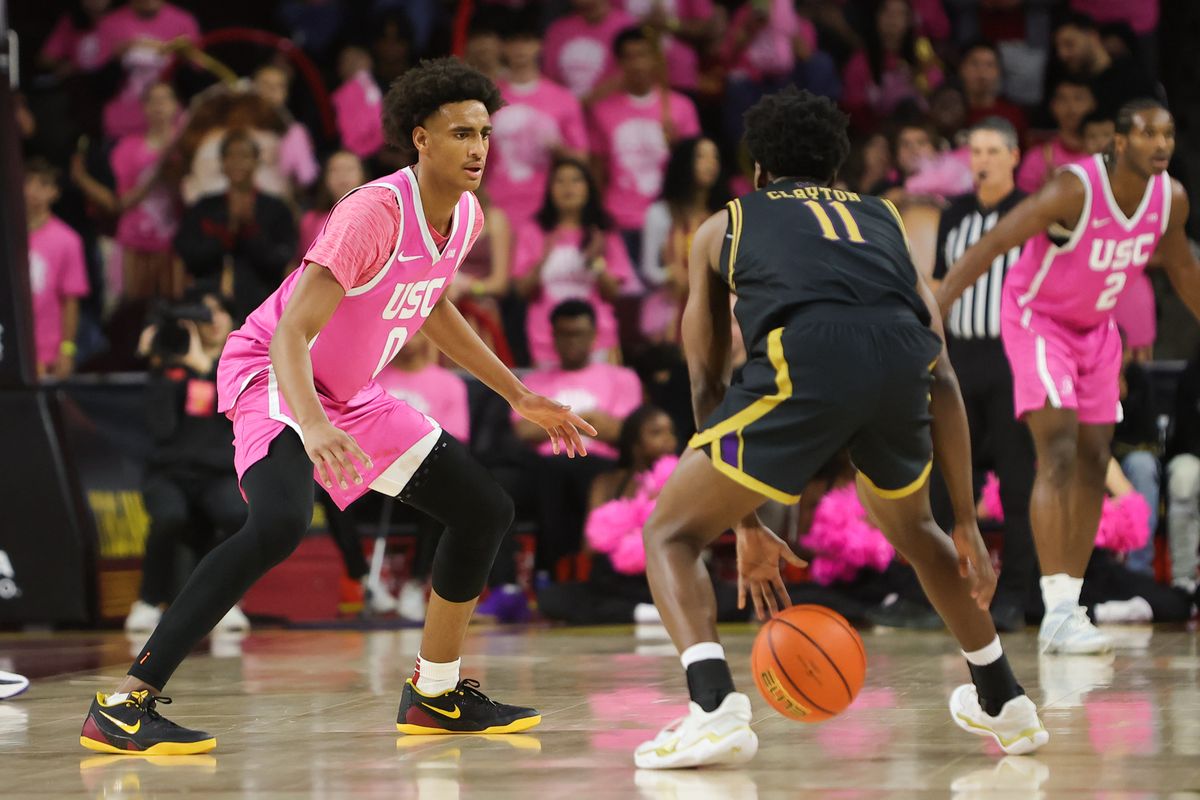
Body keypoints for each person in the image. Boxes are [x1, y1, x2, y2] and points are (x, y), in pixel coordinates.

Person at [79, 57, 596, 755]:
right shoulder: (373, 212)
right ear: (420, 138)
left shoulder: (466, 217)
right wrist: (313, 426)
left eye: (484, 133)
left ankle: (436, 694)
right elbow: (292, 330)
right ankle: (125, 702)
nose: (478, 148)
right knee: (280, 523)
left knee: (485, 509)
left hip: (350, 394)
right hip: (274, 371)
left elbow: (432, 307)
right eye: (460, 133)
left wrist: (520, 394)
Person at [636, 87, 1046, 770]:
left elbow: (707, 376)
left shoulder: (725, 223)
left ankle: (713, 709)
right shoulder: (885, 217)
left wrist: (742, 521)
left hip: (805, 359)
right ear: (836, 167)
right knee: (919, 529)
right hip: (898, 364)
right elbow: (939, 369)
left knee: (669, 533)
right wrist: (969, 519)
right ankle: (1004, 700)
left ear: (759, 168)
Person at [936, 98, 1200, 654]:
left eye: (1169, 135)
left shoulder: (1170, 199)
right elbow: (994, 243)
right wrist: (936, 308)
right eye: (1148, 134)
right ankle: (1057, 609)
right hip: (1038, 321)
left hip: (1097, 331)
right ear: (1120, 142)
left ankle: (1068, 606)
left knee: (1092, 457)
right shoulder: (1072, 190)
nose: (1161, 145)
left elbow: (1182, 269)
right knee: (1054, 450)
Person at [927, 118, 1037, 632]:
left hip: (1014, 357)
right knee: (949, 484)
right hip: (960, 359)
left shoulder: (1034, 212)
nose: (983, 159)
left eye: (993, 149)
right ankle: (950, 589)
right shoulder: (955, 217)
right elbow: (939, 284)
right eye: (975, 151)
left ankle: (1019, 591)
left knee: (1019, 481)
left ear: (1015, 156)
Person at [126, 292, 250, 635]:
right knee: (168, 516)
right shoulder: (171, 365)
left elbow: (238, 414)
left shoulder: (242, 361)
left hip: (218, 473)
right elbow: (161, 428)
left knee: (235, 514)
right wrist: (160, 364)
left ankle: (225, 603)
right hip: (169, 473)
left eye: (218, 311)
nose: (211, 320)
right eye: (203, 313)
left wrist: (205, 369)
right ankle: (148, 601)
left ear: (231, 318)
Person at [514, 300, 645, 570]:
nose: (572, 341)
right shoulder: (534, 382)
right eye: (564, 334)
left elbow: (626, 432)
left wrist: (553, 422)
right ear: (553, 336)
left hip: (600, 465)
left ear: (594, 335)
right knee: (531, 477)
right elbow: (522, 429)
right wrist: (588, 420)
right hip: (545, 467)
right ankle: (537, 575)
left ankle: (575, 571)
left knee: (579, 474)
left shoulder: (622, 378)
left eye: (579, 333)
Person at [588, 26, 701, 258]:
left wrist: (676, 146)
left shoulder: (681, 107)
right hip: (619, 219)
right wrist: (597, 220)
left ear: (656, 59)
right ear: (618, 63)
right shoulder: (602, 111)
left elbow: (693, 168)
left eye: (643, 55)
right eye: (629, 57)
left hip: (668, 216)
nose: (637, 64)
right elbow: (597, 171)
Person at [511, 158, 636, 367]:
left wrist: (595, 260)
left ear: (589, 187)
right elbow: (522, 291)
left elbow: (613, 293)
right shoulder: (533, 231)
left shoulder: (603, 232)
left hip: (597, 336)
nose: (568, 187)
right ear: (549, 189)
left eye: (576, 180)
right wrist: (543, 259)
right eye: (560, 181)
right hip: (546, 336)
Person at [71, 81, 182, 301]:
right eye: (153, 100)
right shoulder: (127, 147)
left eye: (165, 99)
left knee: (175, 304)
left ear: (176, 106)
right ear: (144, 107)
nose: (159, 106)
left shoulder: (186, 145)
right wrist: (157, 173)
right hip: (135, 238)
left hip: (175, 238)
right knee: (134, 309)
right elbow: (121, 203)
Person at [174, 129, 298, 319]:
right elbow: (189, 255)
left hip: (261, 307)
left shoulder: (276, 208)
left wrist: (250, 229)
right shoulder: (204, 207)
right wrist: (227, 232)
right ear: (222, 163)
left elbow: (280, 259)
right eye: (230, 156)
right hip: (207, 306)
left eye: (244, 156)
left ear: (256, 162)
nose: (237, 162)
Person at [487, 17, 589, 230]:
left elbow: (582, 159)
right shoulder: (488, 98)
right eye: (513, 42)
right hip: (497, 202)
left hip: (548, 206)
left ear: (539, 45)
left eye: (527, 41)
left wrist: (558, 149)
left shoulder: (563, 98)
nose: (520, 49)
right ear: (503, 47)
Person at [639, 136, 728, 342]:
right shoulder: (660, 213)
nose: (710, 163)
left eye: (714, 157)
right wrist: (671, 274)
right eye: (701, 157)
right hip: (670, 310)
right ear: (684, 162)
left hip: (715, 309)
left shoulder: (724, 215)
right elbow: (649, 270)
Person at [25, 158, 90, 380]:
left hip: (47, 351)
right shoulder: (8, 236)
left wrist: (67, 350)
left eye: (42, 184)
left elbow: (71, 300)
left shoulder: (67, 240)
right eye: (28, 182)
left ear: (55, 192)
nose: (32, 190)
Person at [1052, 12, 1158, 117]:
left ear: (1093, 36)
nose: (1062, 54)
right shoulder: (1066, 82)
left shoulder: (1132, 80)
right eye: (1058, 47)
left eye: (1069, 44)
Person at [1015, 77, 1095, 195]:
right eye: (1063, 99)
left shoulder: (1105, 156)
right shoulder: (1035, 158)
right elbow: (1021, 207)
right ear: (1053, 106)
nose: (1071, 107)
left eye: (1078, 98)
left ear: (1093, 104)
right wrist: (1045, 195)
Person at [253, 64, 320, 197]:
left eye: (279, 86)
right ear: (253, 88)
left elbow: (306, 178)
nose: (272, 91)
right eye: (266, 84)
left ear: (286, 93)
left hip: (279, 202)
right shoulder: (235, 124)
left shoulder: (295, 132)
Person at [960, 40, 1027, 146]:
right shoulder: (950, 113)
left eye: (989, 65)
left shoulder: (1013, 115)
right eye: (974, 64)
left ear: (999, 71)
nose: (981, 73)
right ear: (962, 69)